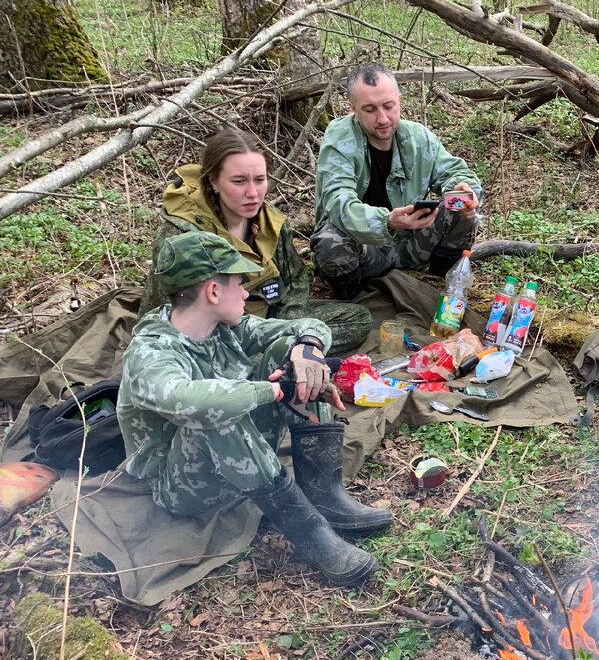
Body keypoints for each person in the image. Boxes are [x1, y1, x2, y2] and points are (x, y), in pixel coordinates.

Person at [119, 231, 393, 588]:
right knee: (215, 409)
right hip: (178, 486)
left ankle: (324, 495)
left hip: (236, 456)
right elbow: (188, 399)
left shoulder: (223, 328)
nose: (247, 293)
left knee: (290, 352)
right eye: (239, 283)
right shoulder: (151, 351)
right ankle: (312, 535)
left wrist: (307, 351)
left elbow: (308, 326)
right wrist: (274, 391)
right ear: (213, 292)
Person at [141, 128, 372, 356]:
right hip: (214, 334)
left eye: (260, 180)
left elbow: (296, 282)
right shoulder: (181, 236)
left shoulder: (270, 221)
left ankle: (278, 352)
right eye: (239, 181)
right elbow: (157, 313)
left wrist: (293, 325)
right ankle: (267, 357)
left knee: (357, 319)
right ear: (213, 181)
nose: (253, 193)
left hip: (269, 318)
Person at [311, 63, 482, 298]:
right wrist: (387, 222)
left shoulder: (418, 137)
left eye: (388, 106)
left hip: (411, 244)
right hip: (366, 250)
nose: (382, 118)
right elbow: (338, 204)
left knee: (459, 207)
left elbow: (454, 171)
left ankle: (436, 287)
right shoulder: (340, 139)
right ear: (352, 109)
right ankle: (354, 302)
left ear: (399, 100)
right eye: (370, 109)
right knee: (330, 238)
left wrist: (465, 189)